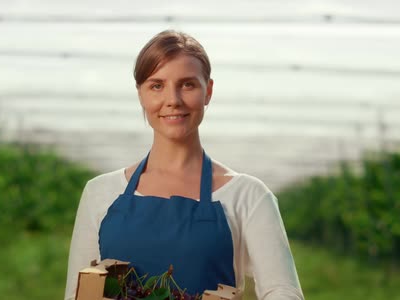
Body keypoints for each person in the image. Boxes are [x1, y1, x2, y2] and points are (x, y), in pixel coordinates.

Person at [64, 30, 304, 300]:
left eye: (187, 84)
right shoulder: (100, 192)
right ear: (140, 94)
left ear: (208, 91)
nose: (173, 100)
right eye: (157, 85)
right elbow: (78, 292)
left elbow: (282, 291)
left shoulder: (248, 195)